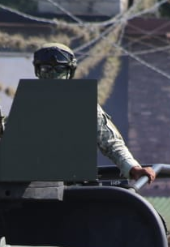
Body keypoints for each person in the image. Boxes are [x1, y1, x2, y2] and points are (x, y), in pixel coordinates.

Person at [33, 44, 157, 183]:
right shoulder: (27, 105)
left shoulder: (82, 105)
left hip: (74, 188)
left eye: (59, 70)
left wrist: (132, 167)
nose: (52, 75)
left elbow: (111, 142)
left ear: (69, 72)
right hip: (29, 187)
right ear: (38, 71)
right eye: (46, 69)